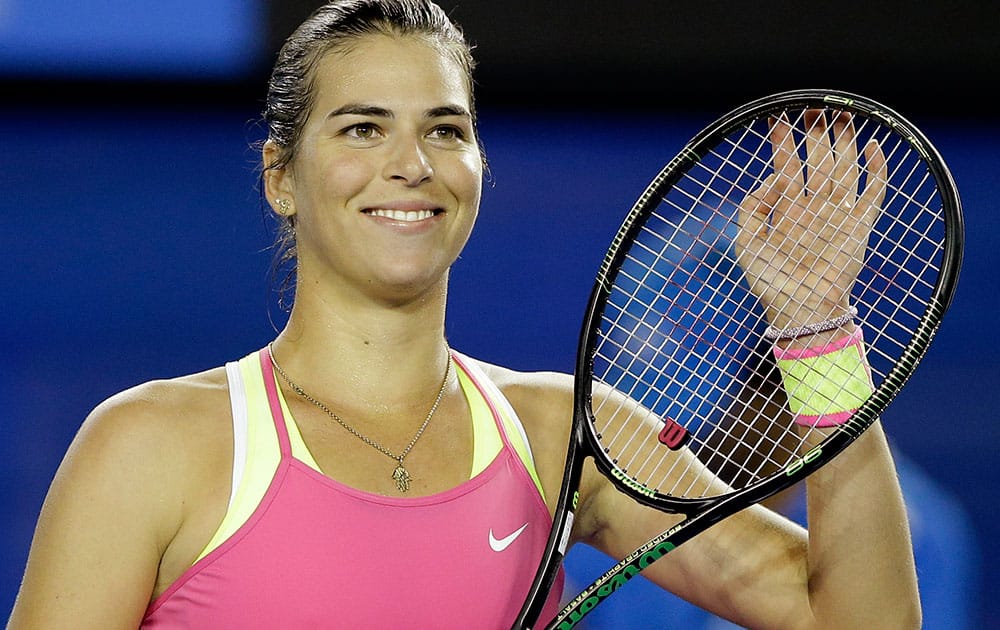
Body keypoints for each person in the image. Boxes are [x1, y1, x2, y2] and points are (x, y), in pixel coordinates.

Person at [7, 1, 921, 628]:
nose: (413, 163)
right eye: (363, 127)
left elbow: (857, 618)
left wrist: (816, 330)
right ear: (281, 178)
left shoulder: (564, 433)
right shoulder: (147, 446)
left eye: (446, 129)